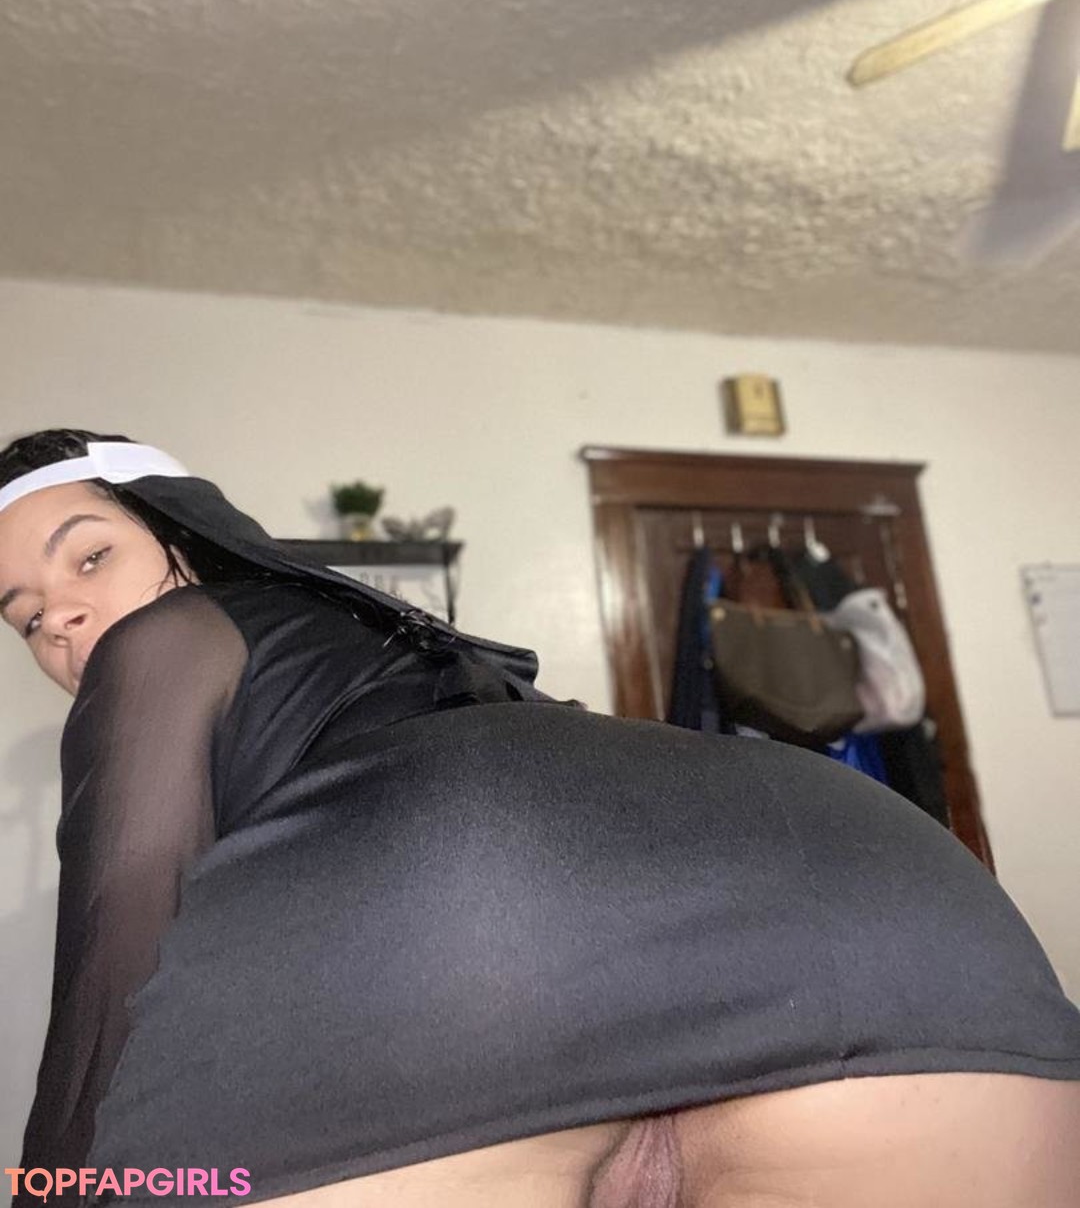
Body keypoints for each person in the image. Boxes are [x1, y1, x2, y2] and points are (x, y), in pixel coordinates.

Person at [2, 427, 1079, 1208]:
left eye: (90, 555)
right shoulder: (386, 634)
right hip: (880, 882)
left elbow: (120, 927)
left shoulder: (163, 641)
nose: (65, 619)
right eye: (26, 616)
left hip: (474, 921)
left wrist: (57, 1185)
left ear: (183, 531)